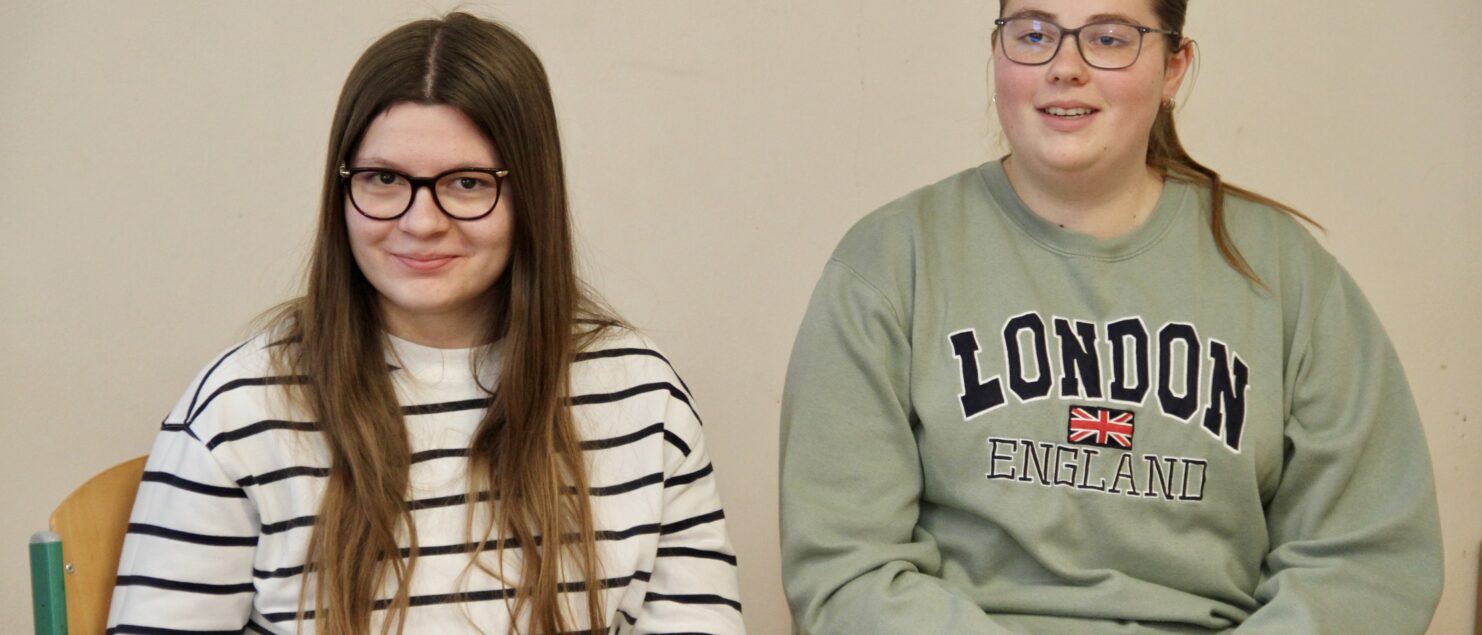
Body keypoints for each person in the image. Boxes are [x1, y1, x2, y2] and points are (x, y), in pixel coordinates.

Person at [778, 0, 1443, 633]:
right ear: (996, 51)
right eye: (1033, 33)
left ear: (1173, 68)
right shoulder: (890, 262)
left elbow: (1370, 561)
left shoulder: (1286, 275)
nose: (1065, 66)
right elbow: (846, 567)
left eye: (1108, 37)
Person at [107, 13, 744, 635]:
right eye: (384, 178)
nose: (421, 222)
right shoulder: (237, 410)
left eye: (467, 183)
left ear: (532, 194)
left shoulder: (642, 395)